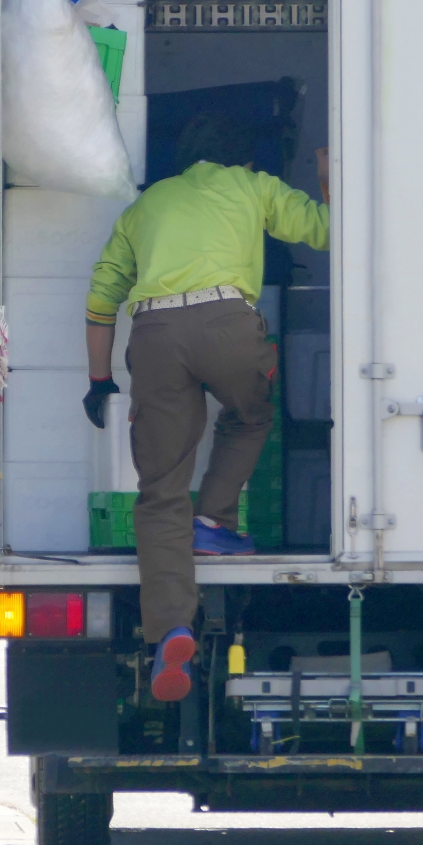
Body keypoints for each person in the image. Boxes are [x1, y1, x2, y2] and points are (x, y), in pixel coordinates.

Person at [81, 112, 329, 702]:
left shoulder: (146, 206)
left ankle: (171, 630)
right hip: (227, 324)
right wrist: (326, 177)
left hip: (155, 334)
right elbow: (325, 230)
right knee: (251, 414)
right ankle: (215, 522)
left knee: (161, 489)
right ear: (243, 158)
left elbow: (100, 299)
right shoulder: (253, 185)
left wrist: (98, 380)